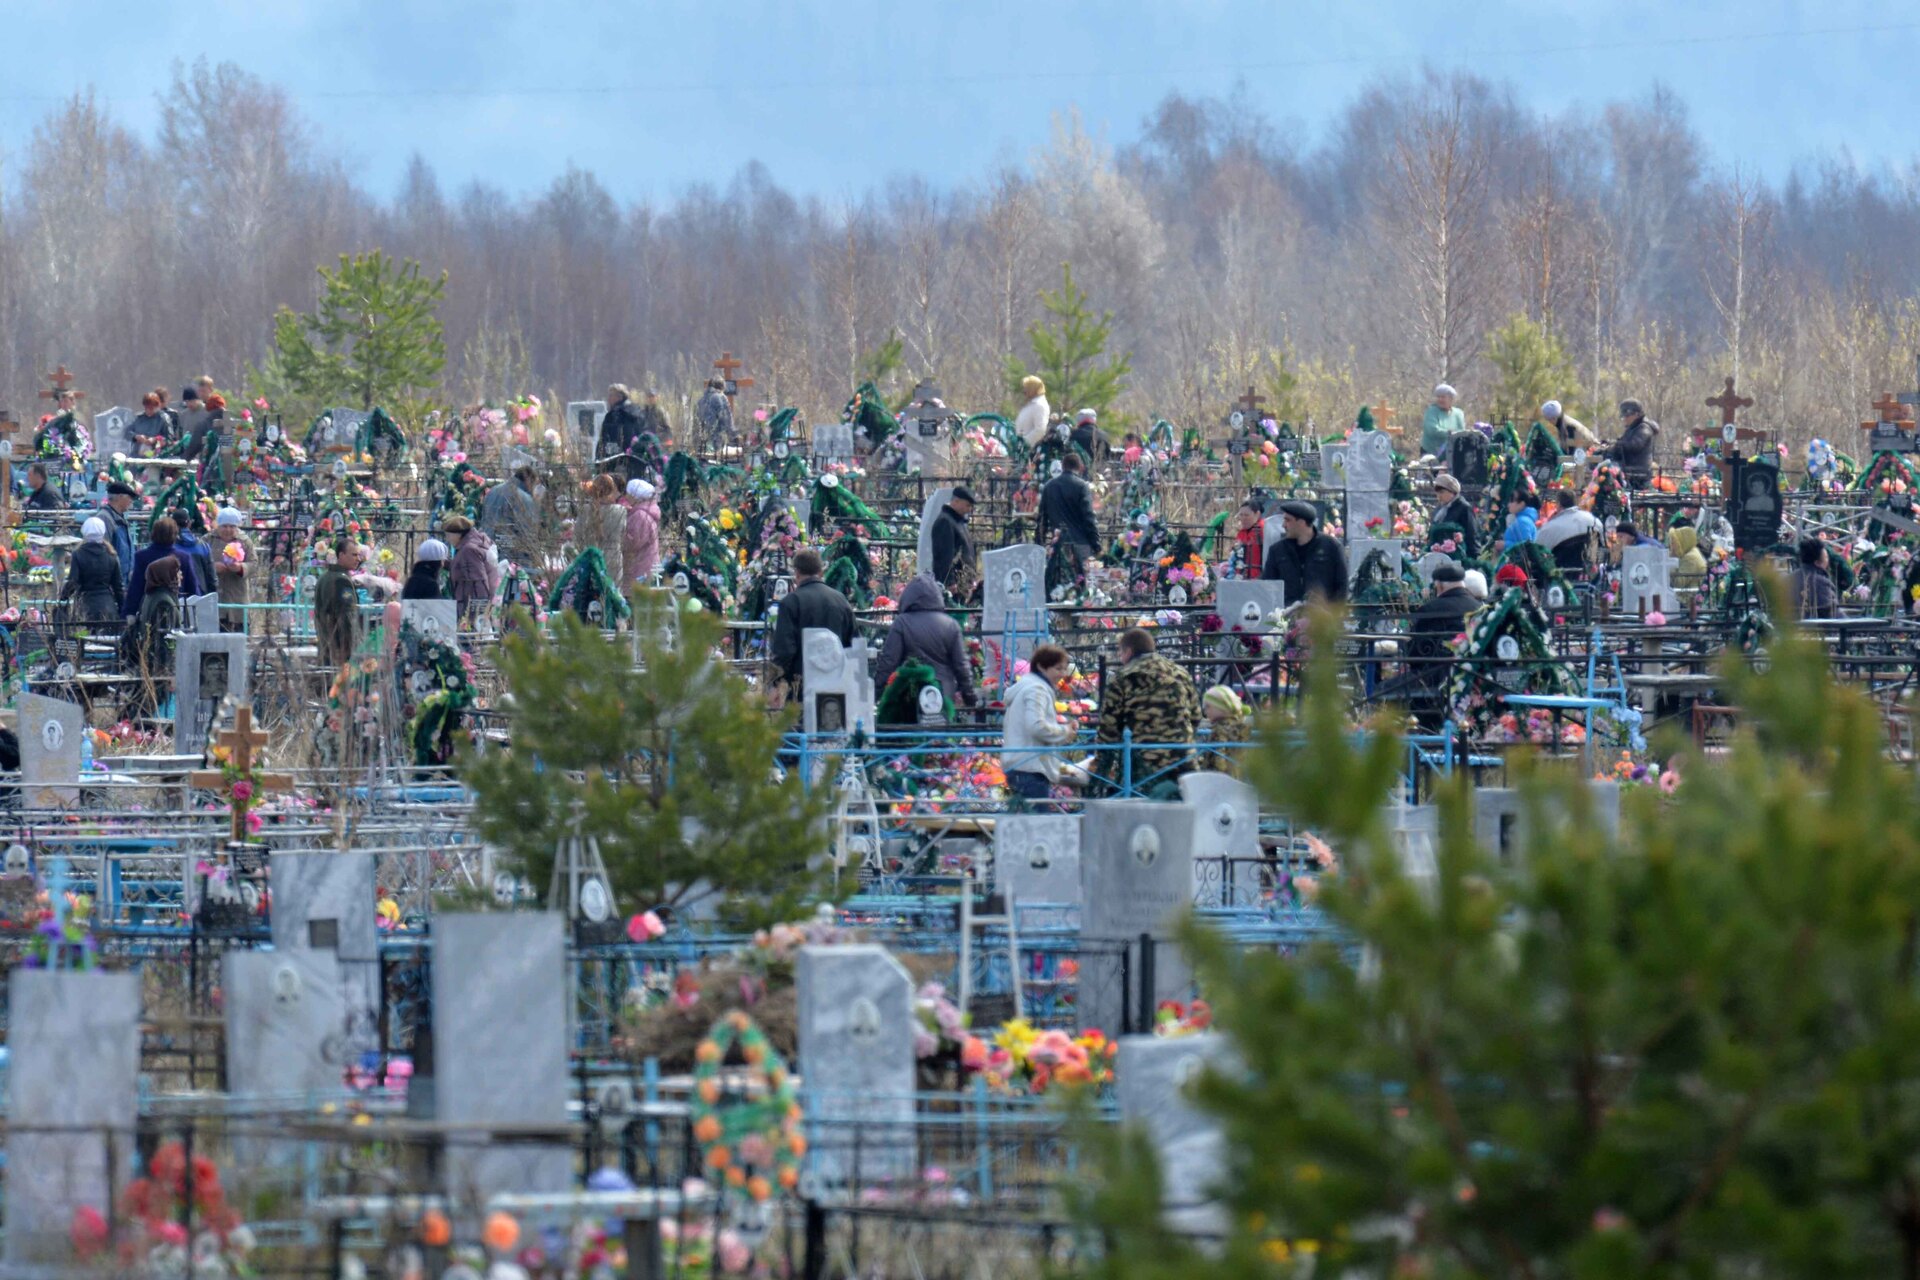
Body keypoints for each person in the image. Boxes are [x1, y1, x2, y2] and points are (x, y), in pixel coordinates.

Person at [1095, 627, 1201, 796]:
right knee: (1184, 809)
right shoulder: (1180, 673)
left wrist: (1099, 767)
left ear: (1129, 652)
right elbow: (1195, 716)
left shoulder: (1122, 678)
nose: (1120, 658)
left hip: (1143, 767)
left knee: (1142, 810)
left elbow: (1108, 729)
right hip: (1183, 760)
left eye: (1120, 653)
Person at [874, 574, 979, 714]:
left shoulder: (902, 623)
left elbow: (889, 661)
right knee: (942, 726)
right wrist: (969, 696)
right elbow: (961, 665)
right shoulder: (951, 624)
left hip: (910, 691)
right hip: (943, 693)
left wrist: (876, 692)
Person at [768, 548, 856, 704]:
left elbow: (785, 649)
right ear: (820, 571)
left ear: (796, 572)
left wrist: (775, 684)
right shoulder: (840, 600)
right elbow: (853, 643)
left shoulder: (791, 602)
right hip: (836, 683)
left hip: (802, 685)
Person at [1001, 644, 1080, 801]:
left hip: (1019, 764)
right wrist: (1065, 731)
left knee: (1025, 814)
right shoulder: (1037, 689)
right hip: (1031, 767)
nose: (1062, 674)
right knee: (1036, 815)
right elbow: (1037, 726)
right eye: (1058, 669)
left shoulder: (1027, 686)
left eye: (1064, 669)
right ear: (1041, 667)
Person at [1261, 500, 1347, 604]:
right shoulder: (1277, 550)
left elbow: (1342, 586)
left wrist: (1331, 612)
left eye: (1287, 520)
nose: (1283, 525)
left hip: (1321, 612)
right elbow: (1267, 587)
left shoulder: (1331, 547)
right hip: (1287, 612)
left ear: (1301, 522)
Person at [122, 556, 180, 707]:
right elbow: (164, 640)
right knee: (156, 708)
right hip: (158, 667)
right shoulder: (163, 602)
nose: (180, 575)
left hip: (149, 662)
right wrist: (168, 672)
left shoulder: (150, 596)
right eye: (177, 571)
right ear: (166, 574)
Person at [124, 516, 200, 617]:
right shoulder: (184, 557)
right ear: (174, 534)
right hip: (178, 610)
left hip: (150, 609)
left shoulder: (141, 556)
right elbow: (193, 588)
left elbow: (136, 587)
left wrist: (129, 613)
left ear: (153, 533)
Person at [1038, 453, 1099, 564]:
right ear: (1080, 467)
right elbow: (1088, 517)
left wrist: (1039, 543)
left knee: (1057, 573)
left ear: (1063, 466)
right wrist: (1096, 544)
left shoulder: (1049, 486)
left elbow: (1042, 518)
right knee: (1083, 573)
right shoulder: (1081, 486)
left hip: (1058, 544)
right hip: (1080, 542)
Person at [315, 538, 365, 670]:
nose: (358, 559)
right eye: (354, 555)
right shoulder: (342, 581)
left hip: (326, 647)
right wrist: (357, 647)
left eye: (358, 555)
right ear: (341, 555)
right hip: (341, 651)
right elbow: (347, 618)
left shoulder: (324, 578)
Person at [61, 517, 123, 623]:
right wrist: (123, 610)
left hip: (86, 604)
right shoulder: (111, 555)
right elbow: (118, 587)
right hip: (108, 605)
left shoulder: (78, 554)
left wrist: (63, 599)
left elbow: (73, 582)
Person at [442, 515, 499, 622]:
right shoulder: (476, 543)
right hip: (481, 601)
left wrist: (477, 615)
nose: (447, 539)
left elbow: (478, 581)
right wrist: (445, 564)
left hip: (472, 606)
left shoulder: (468, 550)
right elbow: (466, 568)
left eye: (448, 535)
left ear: (458, 534)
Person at [1536, 487, 1602, 573]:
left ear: (1558, 504)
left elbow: (1538, 552)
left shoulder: (1549, 527)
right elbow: (1602, 547)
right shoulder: (1594, 520)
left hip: (1561, 573)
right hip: (1590, 572)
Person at [481, 465, 538, 564]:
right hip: (512, 555)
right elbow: (527, 531)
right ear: (528, 480)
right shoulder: (524, 498)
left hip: (488, 547)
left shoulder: (493, 491)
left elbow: (484, 519)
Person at [928, 486, 978, 598]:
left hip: (964, 581)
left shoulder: (957, 521)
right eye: (967, 505)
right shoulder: (945, 522)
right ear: (956, 501)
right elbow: (944, 555)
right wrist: (949, 581)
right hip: (954, 585)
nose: (969, 509)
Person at [210, 507, 254, 633]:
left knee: (240, 638)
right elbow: (198, 564)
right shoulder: (208, 540)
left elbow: (254, 564)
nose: (228, 530)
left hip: (237, 598)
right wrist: (213, 568)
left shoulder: (245, 542)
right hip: (215, 599)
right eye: (224, 526)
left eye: (232, 526)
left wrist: (240, 568)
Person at [579, 473, 626, 586]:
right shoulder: (620, 510)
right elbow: (623, 535)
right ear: (611, 490)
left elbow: (577, 535)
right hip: (613, 557)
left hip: (591, 556)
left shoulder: (585, 510)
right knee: (613, 592)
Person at [1199, 685, 1253, 773]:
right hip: (1238, 773)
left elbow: (1219, 757)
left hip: (1219, 776)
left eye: (1208, 707)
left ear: (1221, 707)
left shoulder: (1220, 729)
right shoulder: (1242, 726)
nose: (1205, 711)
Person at [1612, 399, 1661, 486]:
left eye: (1627, 416)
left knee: (1612, 469)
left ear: (1636, 414)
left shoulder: (1644, 428)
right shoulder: (1632, 428)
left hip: (1638, 470)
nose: (1624, 419)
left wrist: (1620, 444)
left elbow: (1635, 445)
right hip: (1628, 466)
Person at [100, 482, 139, 593]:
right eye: (129, 497)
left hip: (123, 583)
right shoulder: (105, 519)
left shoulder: (119, 519)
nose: (131, 501)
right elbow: (103, 552)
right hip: (112, 585)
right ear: (120, 497)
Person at [1429, 473, 1479, 558]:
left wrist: (1472, 556)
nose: (1439, 496)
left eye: (1442, 492)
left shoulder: (1464, 508)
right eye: (1437, 493)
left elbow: (1471, 534)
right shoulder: (1440, 509)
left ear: (1452, 492)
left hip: (1458, 554)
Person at [623, 479, 661, 583]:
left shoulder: (639, 516)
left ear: (635, 496)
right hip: (648, 564)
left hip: (641, 569)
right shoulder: (645, 512)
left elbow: (633, 543)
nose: (626, 496)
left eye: (628, 493)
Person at [1793, 537, 1838, 620]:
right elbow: (1833, 613)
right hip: (1815, 627)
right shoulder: (1822, 583)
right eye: (1826, 557)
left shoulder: (1787, 579)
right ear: (1817, 562)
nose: (1828, 561)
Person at [172, 510, 215, 596]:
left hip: (176, 596)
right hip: (200, 594)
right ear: (189, 523)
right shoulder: (203, 546)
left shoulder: (168, 546)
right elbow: (211, 576)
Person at [597, 384, 643, 461]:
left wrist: (599, 458)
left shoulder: (616, 415)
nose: (608, 399)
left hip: (619, 459)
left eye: (611, 395)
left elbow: (604, 439)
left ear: (619, 397)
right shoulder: (636, 411)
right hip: (634, 458)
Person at [1421, 383, 1466, 457]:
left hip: (1451, 452)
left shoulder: (1458, 413)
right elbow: (1432, 430)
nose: (1440, 399)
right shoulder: (1432, 411)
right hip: (1431, 451)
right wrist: (1451, 433)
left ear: (1451, 399)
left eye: (1443, 397)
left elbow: (1462, 432)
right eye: (1438, 397)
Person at [1231, 500, 1267, 578]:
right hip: (1241, 575)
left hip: (1259, 577)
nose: (1243, 518)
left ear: (1257, 514)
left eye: (1246, 515)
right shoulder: (1242, 532)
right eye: (1241, 515)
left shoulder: (1264, 530)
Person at [695, 378, 733, 450]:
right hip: (717, 440)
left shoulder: (701, 400)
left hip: (701, 441)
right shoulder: (721, 397)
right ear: (722, 387)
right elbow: (727, 419)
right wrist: (732, 435)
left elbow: (696, 420)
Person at [1014, 375, 1051, 447]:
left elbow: (1040, 430)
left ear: (1033, 389)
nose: (1024, 391)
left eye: (1026, 388)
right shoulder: (1031, 404)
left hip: (1030, 449)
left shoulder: (1040, 405)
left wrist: (1025, 443)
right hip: (1020, 446)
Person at [1667, 524, 1707, 590]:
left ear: (1683, 542)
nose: (1671, 547)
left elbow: (1677, 583)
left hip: (1687, 595)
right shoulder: (1691, 551)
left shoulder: (1691, 558)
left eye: (1673, 543)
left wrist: (1670, 562)